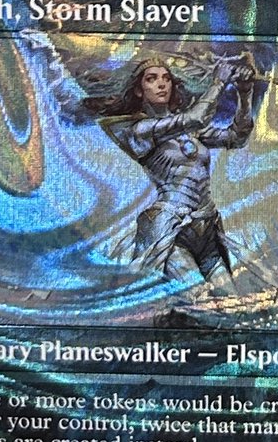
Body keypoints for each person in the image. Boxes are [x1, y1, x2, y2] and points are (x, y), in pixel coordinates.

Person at [88, 54, 265, 293]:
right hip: (170, 231)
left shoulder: (188, 130)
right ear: (139, 90)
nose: (161, 84)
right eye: (152, 79)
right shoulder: (141, 130)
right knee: (200, 299)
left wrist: (245, 94)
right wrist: (218, 82)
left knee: (232, 301)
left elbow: (236, 137)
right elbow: (196, 117)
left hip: (206, 228)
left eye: (166, 78)